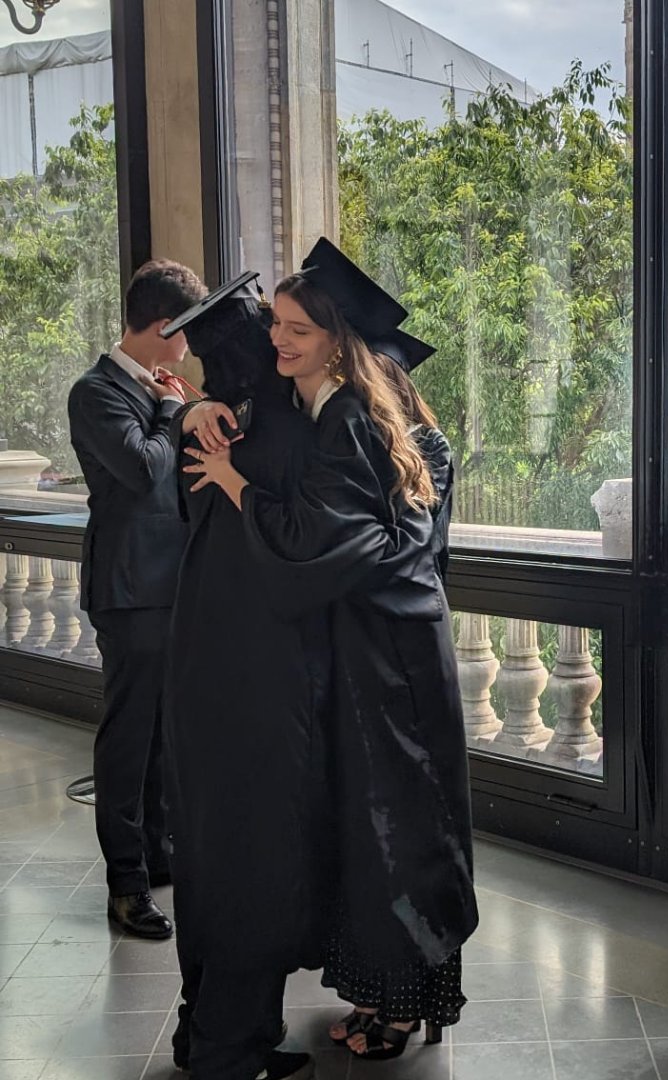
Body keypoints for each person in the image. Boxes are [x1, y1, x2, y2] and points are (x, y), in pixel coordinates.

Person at [182, 238, 478, 1063]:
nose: (280, 340)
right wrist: (193, 411)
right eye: (276, 324)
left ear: (338, 341)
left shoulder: (351, 416)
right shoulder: (328, 409)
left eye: (299, 329)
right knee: (372, 834)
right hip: (370, 651)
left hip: (394, 661)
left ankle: (400, 1009)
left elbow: (328, 540)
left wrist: (238, 481)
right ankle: (380, 998)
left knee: (402, 838)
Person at [158, 272, 332, 1080]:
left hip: (202, 670)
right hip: (257, 683)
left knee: (211, 853)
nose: (278, 345)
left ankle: (221, 1034)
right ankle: (230, 1049)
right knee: (250, 860)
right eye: (269, 333)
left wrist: (186, 410)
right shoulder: (278, 437)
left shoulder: (211, 428)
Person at [67, 258, 206, 939]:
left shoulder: (151, 388)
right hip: (127, 588)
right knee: (127, 740)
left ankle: (157, 855)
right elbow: (143, 467)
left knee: (159, 737)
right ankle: (126, 886)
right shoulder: (94, 392)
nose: (190, 348)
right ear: (162, 326)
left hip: (169, 584)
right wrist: (174, 409)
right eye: (186, 332)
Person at [370, 328, 454, 580]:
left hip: (416, 581)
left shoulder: (431, 443)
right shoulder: (354, 439)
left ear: (396, 387)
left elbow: (423, 523)